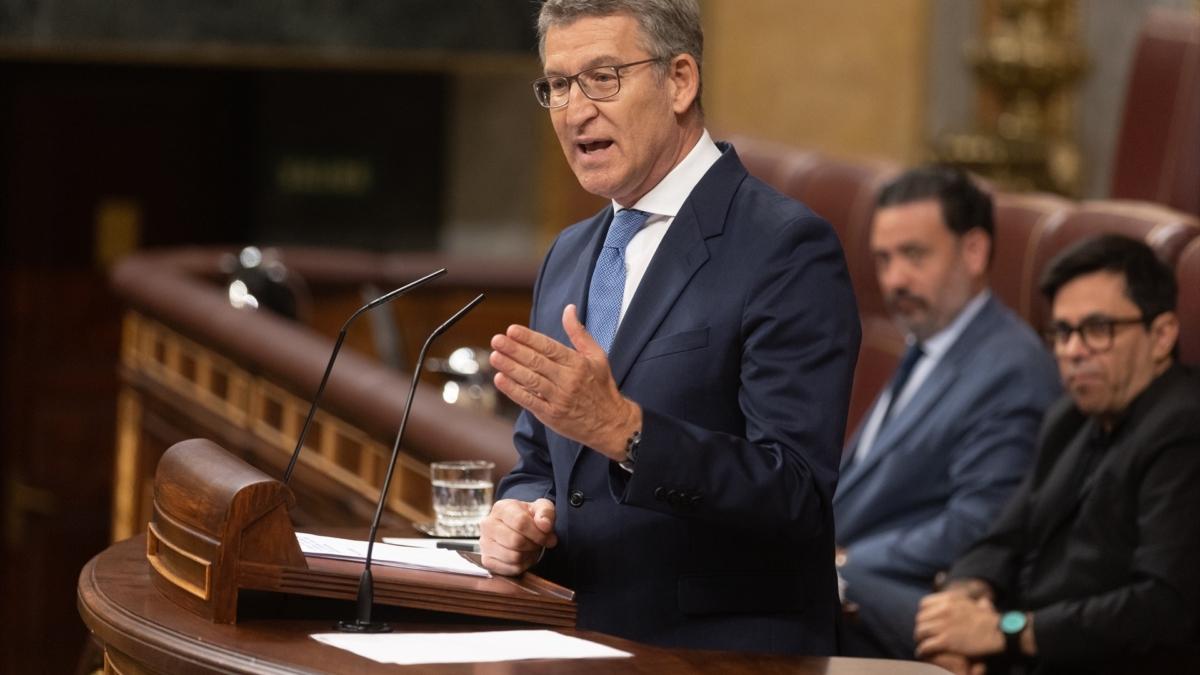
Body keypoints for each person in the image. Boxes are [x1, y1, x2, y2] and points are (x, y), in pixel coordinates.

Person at [477, 0, 860, 655]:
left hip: (718, 656)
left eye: (603, 78)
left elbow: (795, 493)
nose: (574, 110)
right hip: (571, 637)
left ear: (680, 80)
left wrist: (626, 432)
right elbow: (541, 460)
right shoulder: (568, 253)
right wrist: (517, 515)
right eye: (558, 85)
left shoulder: (785, 247)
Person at [914, 234, 1200, 675]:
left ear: (1161, 336)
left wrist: (1004, 633)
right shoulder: (1070, 416)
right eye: (1063, 332)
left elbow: (1163, 607)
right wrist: (959, 607)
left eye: (1098, 329)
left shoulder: (1184, 428)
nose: (1072, 351)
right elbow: (1003, 538)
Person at [833, 166, 1061, 659]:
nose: (895, 279)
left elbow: (977, 526)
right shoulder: (929, 342)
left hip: (923, 600)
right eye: (883, 259)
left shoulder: (1012, 370)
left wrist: (844, 558)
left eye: (914, 255)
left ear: (974, 251)